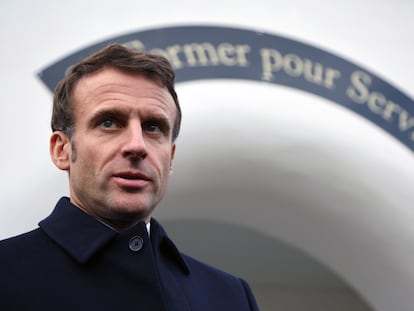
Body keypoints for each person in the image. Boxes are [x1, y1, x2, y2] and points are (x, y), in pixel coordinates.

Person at [0, 44, 259, 310]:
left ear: (170, 157)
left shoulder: (230, 296)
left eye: (153, 127)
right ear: (62, 149)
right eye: (109, 122)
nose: (137, 145)